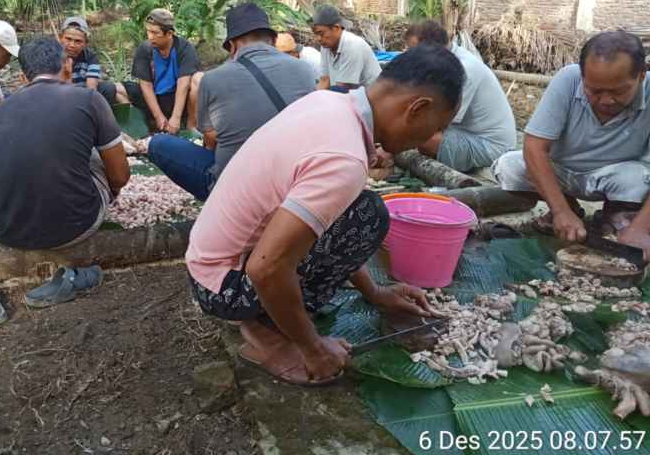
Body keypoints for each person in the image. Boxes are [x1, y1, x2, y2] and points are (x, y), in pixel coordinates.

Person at [186, 43, 466, 384]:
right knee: (369, 216)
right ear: (417, 109)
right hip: (223, 288)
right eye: (438, 126)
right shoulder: (344, 159)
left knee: (363, 210)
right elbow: (267, 267)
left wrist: (375, 292)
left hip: (207, 266)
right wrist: (314, 349)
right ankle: (270, 336)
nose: (431, 138)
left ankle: (266, 319)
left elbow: (331, 226)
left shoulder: (329, 102)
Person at [494, 31, 650, 254]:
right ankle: (570, 209)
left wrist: (641, 229)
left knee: (637, 179)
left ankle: (617, 217)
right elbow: (535, 146)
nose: (606, 101)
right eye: (594, 91)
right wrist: (560, 210)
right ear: (583, 75)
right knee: (510, 166)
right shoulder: (568, 79)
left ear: (642, 75)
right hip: (562, 173)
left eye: (618, 91)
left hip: (616, 179)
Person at [148, 2, 314, 201]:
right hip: (293, 184)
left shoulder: (212, 79)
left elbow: (210, 135)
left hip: (236, 191)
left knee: (158, 143)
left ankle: (215, 202)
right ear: (273, 39)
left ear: (233, 45)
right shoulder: (304, 70)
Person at [0, 36, 130, 250]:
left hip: (8, 233)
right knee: (94, 155)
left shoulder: (1, 110)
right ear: (68, 65)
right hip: (76, 227)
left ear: (24, 77)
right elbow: (120, 176)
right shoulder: (90, 99)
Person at [404, 20, 516, 172]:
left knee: (426, 139)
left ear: (431, 49)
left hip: (491, 146)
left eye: (414, 52)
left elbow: (438, 123)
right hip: (465, 132)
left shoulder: (464, 69)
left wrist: (394, 144)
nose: (411, 58)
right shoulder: (441, 63)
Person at [115, 9, 201, 134]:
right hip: (154, 97)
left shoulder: (185, 48)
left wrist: (176, 118)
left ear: (169, 33)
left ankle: (191, 127)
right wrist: (158, 116)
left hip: (177, 98)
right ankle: (143, 126)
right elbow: (146, 85)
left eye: (155, 33)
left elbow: (184, 84)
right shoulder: (145, 48)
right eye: (148, 32)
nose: (150, 37)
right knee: (117, 89)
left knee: (198, 79)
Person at [312, 5, 381, 91]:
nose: (318, 38)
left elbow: (342, 89)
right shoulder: (326, 47)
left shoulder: (353, 46)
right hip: (347, 95)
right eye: (316, 34)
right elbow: (324, 81)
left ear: (336, 28)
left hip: (370, 99)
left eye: (321, 33)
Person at [58, 16, 118, 105]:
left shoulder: (90, 56)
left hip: (82, 95)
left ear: (86, 43)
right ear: (60, 38)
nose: (72, 45)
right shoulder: (53, 55)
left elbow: (91, 88)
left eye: (78, 41)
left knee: (108, 88)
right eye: (68, 39)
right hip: (58, 95)